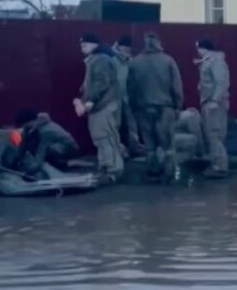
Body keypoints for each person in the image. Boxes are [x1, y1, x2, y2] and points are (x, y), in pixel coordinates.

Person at [128, 32, 183, 181]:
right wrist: (178, 105)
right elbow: (176, 86)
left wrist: (133, 107)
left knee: (150, 144)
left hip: (142, 108)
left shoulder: (135, 62)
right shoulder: (168, 61)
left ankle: (152, 171)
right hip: (165, 108)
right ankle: (169, 172)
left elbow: (131, 88)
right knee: (167, 144)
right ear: (158, 42)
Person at [74, 33, 124, 183]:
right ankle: (106, 167)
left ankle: (113, 169)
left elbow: (101, 82)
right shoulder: (97, 59)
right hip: (101, 106)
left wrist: (90, 100)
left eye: (84, 45)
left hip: (104, 106)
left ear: (94, 45)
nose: (82, 47)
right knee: (101, 139)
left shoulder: (100, 60)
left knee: (106, 138)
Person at [3, 109, 79, 176]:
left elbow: (41, 151)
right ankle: (51, 164)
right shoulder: (30, 129)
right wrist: (15, 162)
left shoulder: (46, 130)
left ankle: (59, 165)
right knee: (31, 142)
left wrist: (32, 169)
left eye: (25, 126)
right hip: (52, 146)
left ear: (31, 121)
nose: (24, 128)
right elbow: (22, 146)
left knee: (50, 149)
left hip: (69, 148)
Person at [196, 38, 230, 178]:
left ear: (202, 47)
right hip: (209, 102)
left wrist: (215, 100)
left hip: (213, 103)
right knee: (213, 135)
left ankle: (220, 166)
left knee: (214, 134)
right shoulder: (209, 61)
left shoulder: (215, 61)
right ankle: (218, 164)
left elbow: (221, 82)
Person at [114, 34, 144, 157]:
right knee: (114, 123)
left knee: (132, 122)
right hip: (113, 96)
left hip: (127, 95)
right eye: (125, 49)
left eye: (129, 50)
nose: (127, 51)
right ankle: (116, 148)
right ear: (119, 47)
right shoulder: (111, 59)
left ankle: (134, 145)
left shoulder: (130, 61)